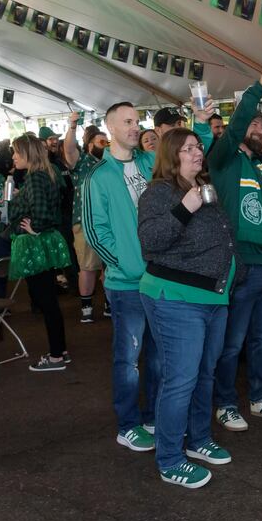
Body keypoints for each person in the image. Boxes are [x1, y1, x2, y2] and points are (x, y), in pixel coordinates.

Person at [201, 66, 262, 430]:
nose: (261, 131)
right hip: (242, 266)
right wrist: (260, 86)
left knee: (260, 341)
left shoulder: (259, 167)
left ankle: (260, 398)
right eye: (255, 126)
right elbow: (241, 116)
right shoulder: (223, 159)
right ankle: (225, 403)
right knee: (233, 342)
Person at [137, 127, 235, 488]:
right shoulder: (159, 193)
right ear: (171, 155)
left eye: (198, 146)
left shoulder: (203, 187)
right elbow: (150, 242)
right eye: (188, 148)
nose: (198, 152)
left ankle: (197, 439)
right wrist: (186, 207)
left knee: (204, 373)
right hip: (176, 298)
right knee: (180, 381)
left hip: (213, 297)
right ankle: (170, 459)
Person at [83, 102, 161, 453]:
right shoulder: (99, 176)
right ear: (110, 128)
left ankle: (152, 416)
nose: (135, 127)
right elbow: (95, 231)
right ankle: (128, 425)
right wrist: (125, 264)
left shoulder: (149, 164)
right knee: (128, 358)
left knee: (159, 355)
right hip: (127, 283)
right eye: (127, 122)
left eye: (137, 121)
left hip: (160, 279)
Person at [8, 134, 74, 370]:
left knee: (47, 302)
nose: (13, 156)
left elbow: (43, 214)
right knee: (50, 302)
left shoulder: (36, 178)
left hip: (35, 245)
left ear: (27, 153)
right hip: (42, 243)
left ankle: (56, 356)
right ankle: (60, 351)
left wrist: (34, 227)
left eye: (16, 152)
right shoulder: (47, 174)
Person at [61, 113, 107, 322]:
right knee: (87, 267)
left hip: (109, 221)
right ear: (89, 144)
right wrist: (72, 126)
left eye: (107, 140)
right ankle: (86, 309)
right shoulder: (83, 163)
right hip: (84, 221)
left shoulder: (112, 162)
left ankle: (110, 303)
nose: (105, 143)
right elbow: (69, 150)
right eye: (101, 140)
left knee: (112, 266)